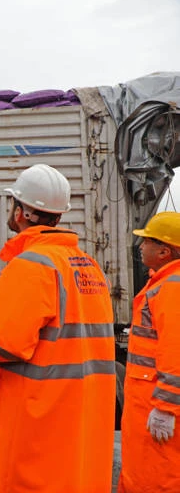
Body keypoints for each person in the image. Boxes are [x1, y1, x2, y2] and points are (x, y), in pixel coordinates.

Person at [0, 163, 115, 493]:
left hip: (40, 422)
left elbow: (4, 343)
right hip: (78, 422)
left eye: (13, 202)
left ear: (24, 213)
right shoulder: (88, 266)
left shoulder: (31, 267)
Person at [118, 211, 180, 492]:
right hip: (147, 398)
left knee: (154, 477)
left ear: (164, 251)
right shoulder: (165, 283)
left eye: (147, 242)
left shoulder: (171, 288)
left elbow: (175, 350)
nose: (141, 246)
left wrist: (165, 408)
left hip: (153, 400)